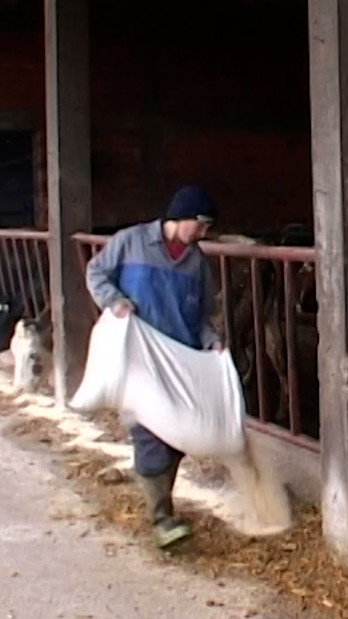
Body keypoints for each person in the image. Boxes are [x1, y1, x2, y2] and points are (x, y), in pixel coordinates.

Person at [85, 184, 223, 548]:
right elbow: (96, 272)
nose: (204, 233)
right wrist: (113, 301)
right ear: (183, 217)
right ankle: (161, 517)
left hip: (178, 357)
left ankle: (163, 501)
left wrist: (212, 341)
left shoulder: (197, 264)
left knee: (177, 435)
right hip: (139, 354)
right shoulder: (130, 242)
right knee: (148, 432)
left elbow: (203, 315)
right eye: (202, 223)